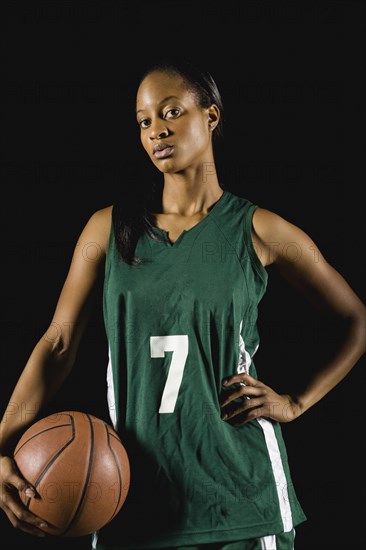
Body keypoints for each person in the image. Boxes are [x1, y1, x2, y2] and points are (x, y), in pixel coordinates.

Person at [0, 58, 365, 550]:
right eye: (144, 121)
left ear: (211, 117)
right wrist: (3, 443)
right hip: (131, 497)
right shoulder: (106, 231)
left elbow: (354, 320)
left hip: (241, 499)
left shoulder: (261, 231)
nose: (156, 130)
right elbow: (59, 342)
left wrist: (295, 403)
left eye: (171, 112)